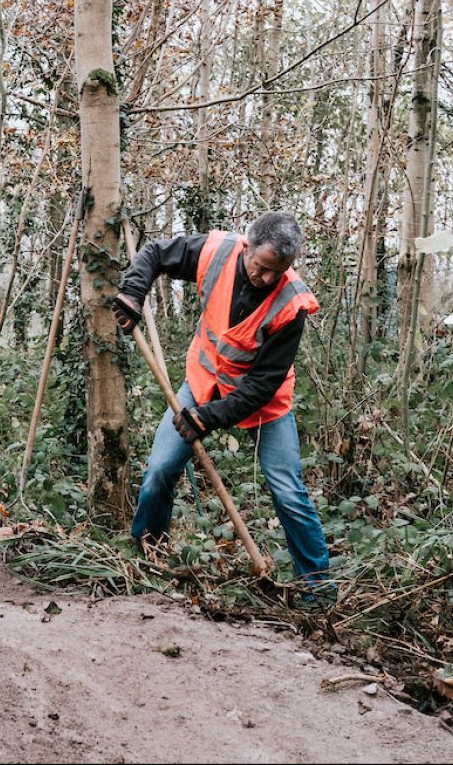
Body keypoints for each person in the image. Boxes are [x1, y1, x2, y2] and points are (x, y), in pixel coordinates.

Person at [113, 211, 332, 599]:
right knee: (160, 469)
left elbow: (263, 385)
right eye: (262, 267)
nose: (267, 279)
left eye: (277, 272)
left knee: (287, 491)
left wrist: (208, 418)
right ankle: (150, 556)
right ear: (246, 246)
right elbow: (154, 254)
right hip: (201, 381)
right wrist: (133, 292)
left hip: (264, 405)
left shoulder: (292, 305)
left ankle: (317, 589)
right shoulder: (214, 252)